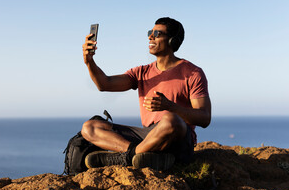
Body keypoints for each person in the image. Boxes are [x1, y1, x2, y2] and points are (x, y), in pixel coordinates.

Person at [81, 17, 211, 171]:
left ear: (172, 41)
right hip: (149, 137)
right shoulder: (142, 72)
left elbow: (204, 118)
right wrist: (89, 62)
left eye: (157, 33)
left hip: (177, 138)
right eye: (150, 32)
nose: (150, 37)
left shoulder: (193, 73)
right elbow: (105, 84)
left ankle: (127, 156)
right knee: (90, 127)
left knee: (170, 119)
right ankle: (142, 155)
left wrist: (170, 106)